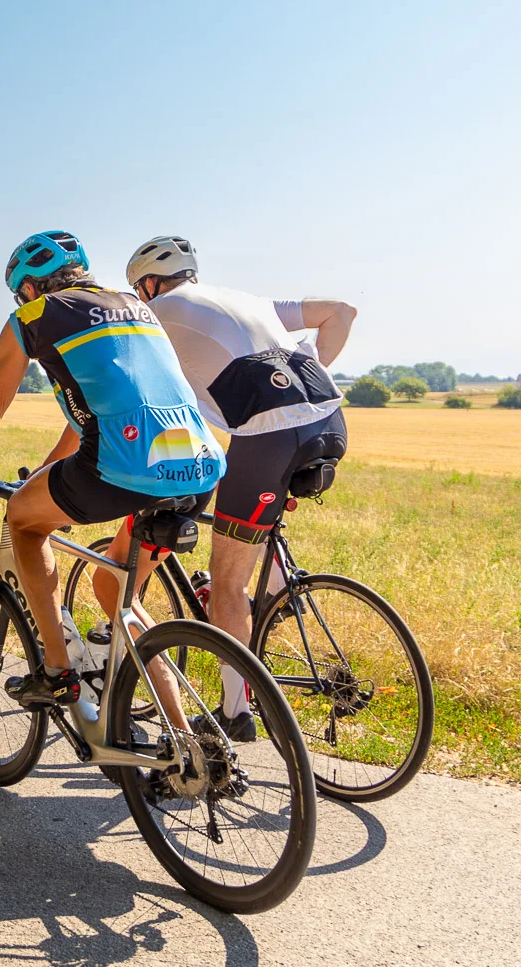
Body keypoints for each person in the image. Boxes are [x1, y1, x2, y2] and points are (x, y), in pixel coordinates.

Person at [0, 231, 223, 717]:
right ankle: (186, 736)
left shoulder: (32, 317)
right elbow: (95, 414)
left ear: (28, 288)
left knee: (23, 519)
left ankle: (57, 674)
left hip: (123, 468)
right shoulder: (134, 305)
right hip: (200, 466)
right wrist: (45, 474)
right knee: (119, 596)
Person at [125, 235, 356, 738]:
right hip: (330, 421)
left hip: (269, 440)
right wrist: (300, 384)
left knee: (227, 585)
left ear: (148, 285)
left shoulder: (155, 313)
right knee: (250, 519)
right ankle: (278, 589)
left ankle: (235, 713)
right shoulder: (247, 300)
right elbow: (342, 312)